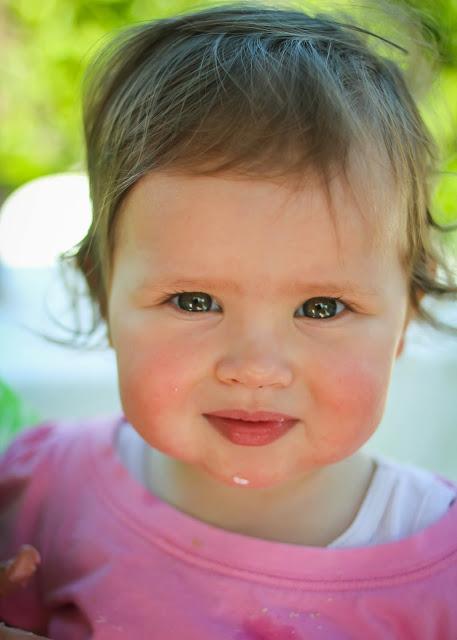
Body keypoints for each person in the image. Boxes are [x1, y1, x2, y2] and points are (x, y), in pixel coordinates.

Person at [1, 2, 457, 637]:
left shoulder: (443, 575)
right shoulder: (38, 496)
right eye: (194, 301)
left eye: (321, 308)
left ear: (405, 318)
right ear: (103, 296)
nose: (255, 369)